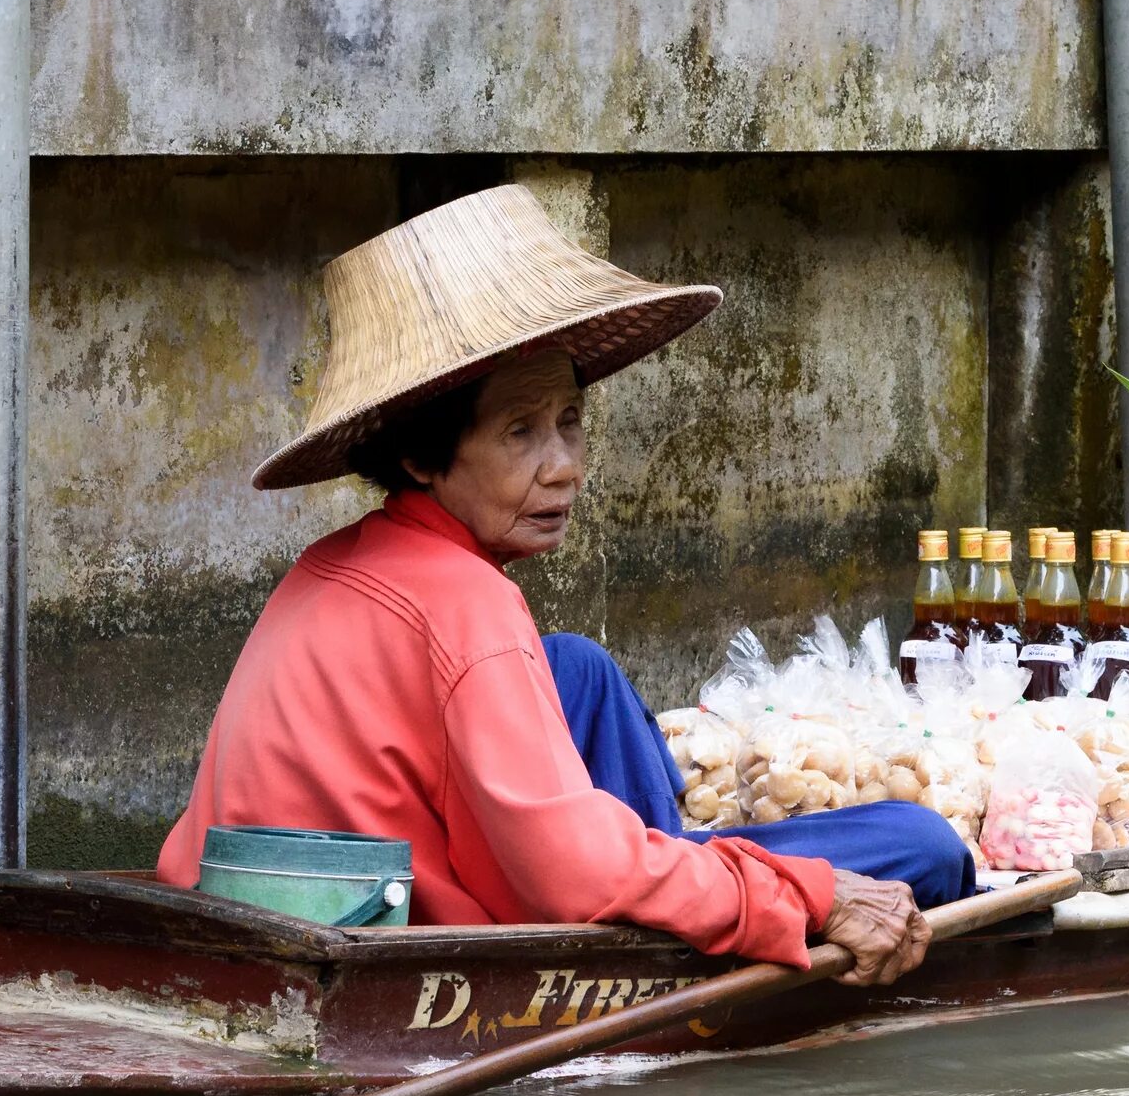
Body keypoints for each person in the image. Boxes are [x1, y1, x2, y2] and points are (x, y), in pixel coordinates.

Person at [154, 186, 975, 984]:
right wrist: (809, 893)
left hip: (281, 895)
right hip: (391, 923)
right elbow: (568, 881)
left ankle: (675, 862)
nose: (567, 467)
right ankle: (686, 890)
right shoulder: (466, 603)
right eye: (522, 431)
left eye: (570, 422)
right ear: (420, 456)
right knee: (924, 841)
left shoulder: (330, 564)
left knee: (575, 666)